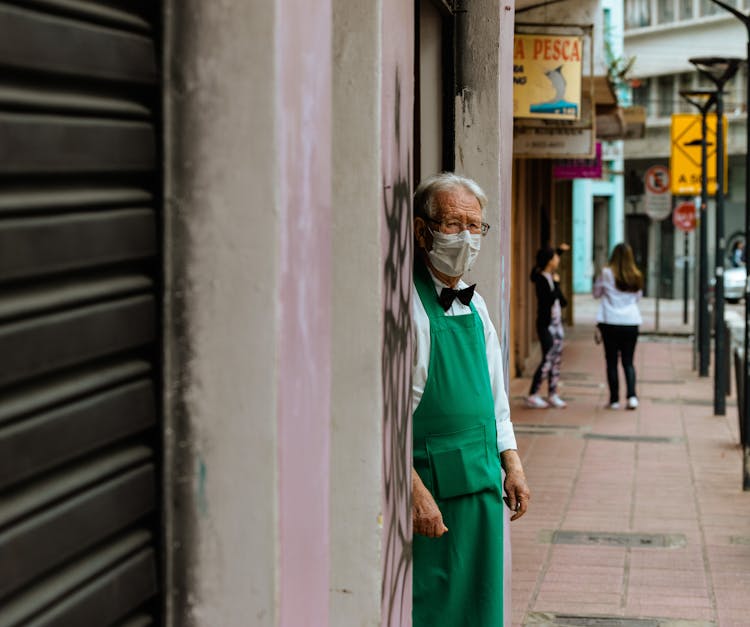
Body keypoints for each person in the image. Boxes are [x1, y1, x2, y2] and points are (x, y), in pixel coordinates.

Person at [411, 172, 530, 626]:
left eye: (474, 226)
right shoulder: (408, 308)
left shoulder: (477, 307)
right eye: (452, 224)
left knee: (482, 609)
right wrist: (415, 493)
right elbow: (384, 423)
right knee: (434, 610)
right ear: (423, 231)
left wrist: (513, 464)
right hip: (435, 497)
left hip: (482, 489)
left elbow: (496, 400)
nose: (465, 236)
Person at [593, 242, 643, 410]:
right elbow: (638, 297)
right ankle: (632, 397)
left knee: (612, 361)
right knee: (628, 361)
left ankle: (614, 400)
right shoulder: (636, 275)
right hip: (631, 322)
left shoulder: (606, 273)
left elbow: (596, 293)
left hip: (610, 322)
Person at [526, 244, 569, 409]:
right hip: (546, 325)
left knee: (556, 360)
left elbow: (563, 302)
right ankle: (533, 394)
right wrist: (556, 286)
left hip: (557, 325)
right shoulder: (541, 279)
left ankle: (553, 394)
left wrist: (560, 251)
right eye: (555, 257)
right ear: (550, 261)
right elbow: (549, 300)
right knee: (548, 359)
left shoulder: (551, 277)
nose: (557, 260)